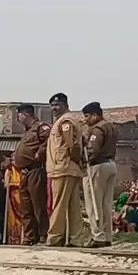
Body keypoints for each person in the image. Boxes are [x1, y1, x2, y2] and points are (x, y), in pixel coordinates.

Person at [45, 92, 88, 247]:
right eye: (52, 106)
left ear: (65, 105)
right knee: (73, 206)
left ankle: (55, 237)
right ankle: (76, 238)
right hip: (68, 168)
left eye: (57, 105)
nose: (54, 108)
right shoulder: (66, 120)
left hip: (63, 168)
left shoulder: (66, 121)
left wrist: (74, 159)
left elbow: (73, 145)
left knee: (59, 204)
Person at [6, 104, 51, 245]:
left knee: (38, 205)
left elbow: (49, 140)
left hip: (36, 170)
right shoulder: (26, 132)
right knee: (26, 208)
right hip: (24, 173)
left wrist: (40, 152)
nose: (18, 118)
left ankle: (43, 235)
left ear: (26, 114)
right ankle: (29, 237)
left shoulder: (40, 128)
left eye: (19, 115)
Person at [82, 102, 119, 248]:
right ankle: (107, 235)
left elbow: (93, 150)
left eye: (87, 116)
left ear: (95, 115)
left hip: (97, 166)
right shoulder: (111, 127)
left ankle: (98, 236)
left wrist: (83, 160)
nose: (85, 120)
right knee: (106, 204)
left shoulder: (97, 129)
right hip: (111, 164)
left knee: (94, 204)